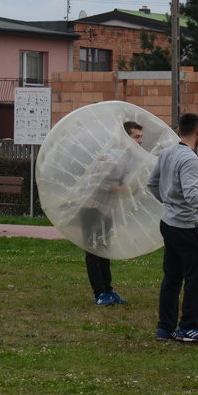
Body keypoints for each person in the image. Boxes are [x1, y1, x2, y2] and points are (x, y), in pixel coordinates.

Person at [148, 113, 198, 342]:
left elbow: (151, 183)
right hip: (185, 225)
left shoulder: (166, 153)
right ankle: (188, 326)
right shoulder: (190, 159)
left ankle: (165, 328)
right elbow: (192, 193)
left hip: (168, 222)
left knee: (172, 276)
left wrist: (167, 201)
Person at [81, 121, 144, 306]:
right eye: (136, 137)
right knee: (94, 251)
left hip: (106, 211)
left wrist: (132, 188)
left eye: (141, 137)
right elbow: (99, 181)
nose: (140, 141)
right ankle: (99, 293)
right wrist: (123, 188)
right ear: (126, 138)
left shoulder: (126, 158)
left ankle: (108, 290)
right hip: (92, 209)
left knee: (104, 250)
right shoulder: (111, 156)